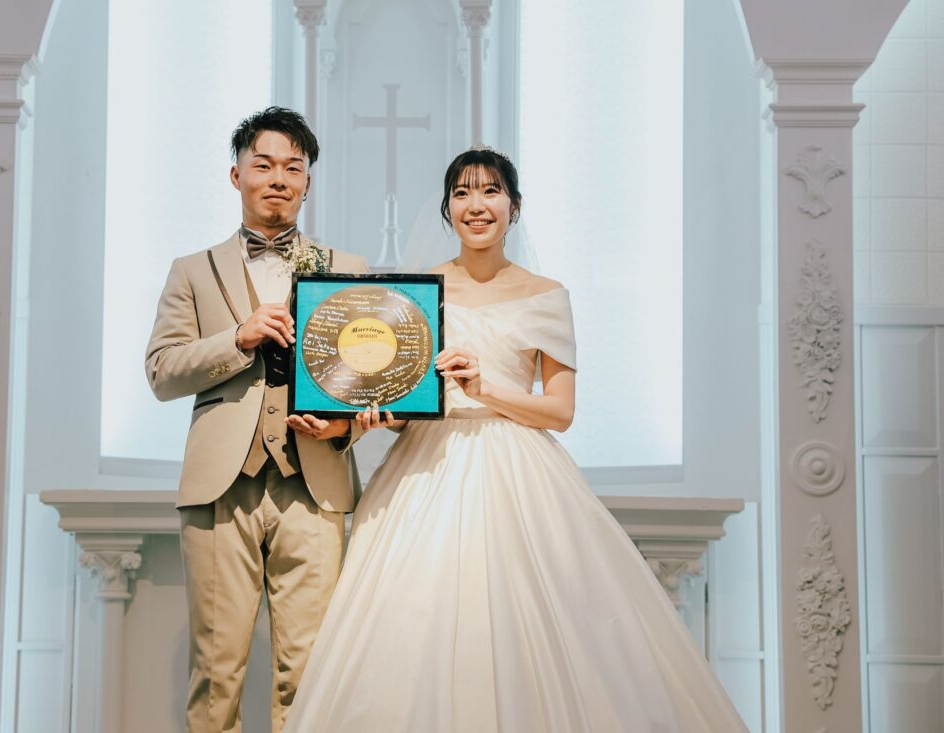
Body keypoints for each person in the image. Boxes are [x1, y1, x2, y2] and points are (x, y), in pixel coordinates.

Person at [283, 147, 750, 732]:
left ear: (515, 206)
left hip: (518, 468)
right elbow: (404, 400)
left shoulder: (546, 294)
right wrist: (370, 418)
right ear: (447, 210)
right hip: (425, 468)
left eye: (490, 191)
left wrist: (486, 390)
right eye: (462, 193)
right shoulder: (414, 292)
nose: (476, 205)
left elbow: (560, 412)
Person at [145, 106, 368, 733]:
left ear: (308, 182)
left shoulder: (348, 269)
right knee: (216, 674)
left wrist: (345, 429)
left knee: (309, 673)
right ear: (236, 174)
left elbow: (369, 383)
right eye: (264, 165)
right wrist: (237, 339)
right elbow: (161, 372)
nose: (278, 179)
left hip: (314, 484)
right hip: (221, 486)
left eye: (293, 168)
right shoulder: (191, 270)